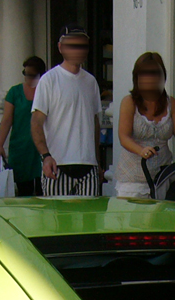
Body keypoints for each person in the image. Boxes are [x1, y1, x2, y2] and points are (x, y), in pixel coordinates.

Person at [114, 53, 175, 198]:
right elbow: (123, 137)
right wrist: (141, 150)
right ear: (137, 78)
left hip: (162, 179)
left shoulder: (171, 103)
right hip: (133, 180)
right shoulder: (129, 102)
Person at [32, 24, 104, 197]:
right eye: (73, 45)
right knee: (58, 220)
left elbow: (94, 123)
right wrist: (45, 156)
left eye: (82, 45)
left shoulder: (91, 82)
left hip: (88, 164)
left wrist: (98, 162)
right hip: (58, 164)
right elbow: (36, 122)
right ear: (61, 47)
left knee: (89, 221)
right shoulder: (49, 80)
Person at [0, 56, 47, 196]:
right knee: (24, 192)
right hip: (21, 149)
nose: (28, 78)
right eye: (26, 74)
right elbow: (6, 120)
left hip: (43, 147)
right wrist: (0, 145)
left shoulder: (47, 91)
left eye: (32, 75)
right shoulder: (15, 92)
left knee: (44, 191)